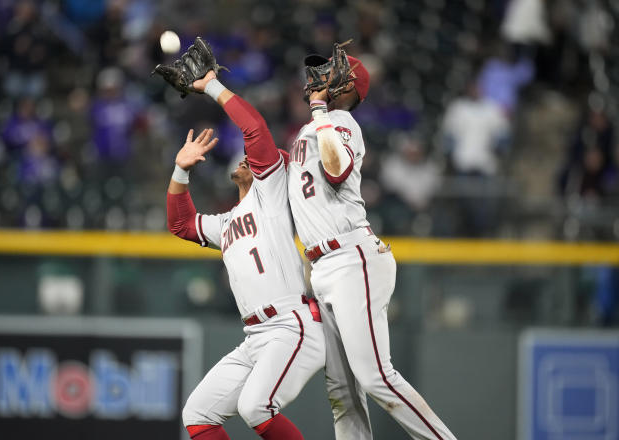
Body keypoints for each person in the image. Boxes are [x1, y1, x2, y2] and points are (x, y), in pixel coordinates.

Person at [287, 46, 457, 439]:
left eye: (331, 73)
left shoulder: (341, 121)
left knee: (375, 376)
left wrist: (318, 110)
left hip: (351, 258)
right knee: (343, 390)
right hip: (323, 265)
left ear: (349, 86)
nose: (321, 77)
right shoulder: (311, 128)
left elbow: (335, 168)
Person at [164, 70, 325, 440]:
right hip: (255, 335)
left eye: (255, 160)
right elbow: (182, 224)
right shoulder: (226, 222)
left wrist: (212, 87)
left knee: (255, 407)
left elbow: (254, 129)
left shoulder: (271, 195)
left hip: (290, 324)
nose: (246, 159)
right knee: (198, 414)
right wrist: (180, 170)